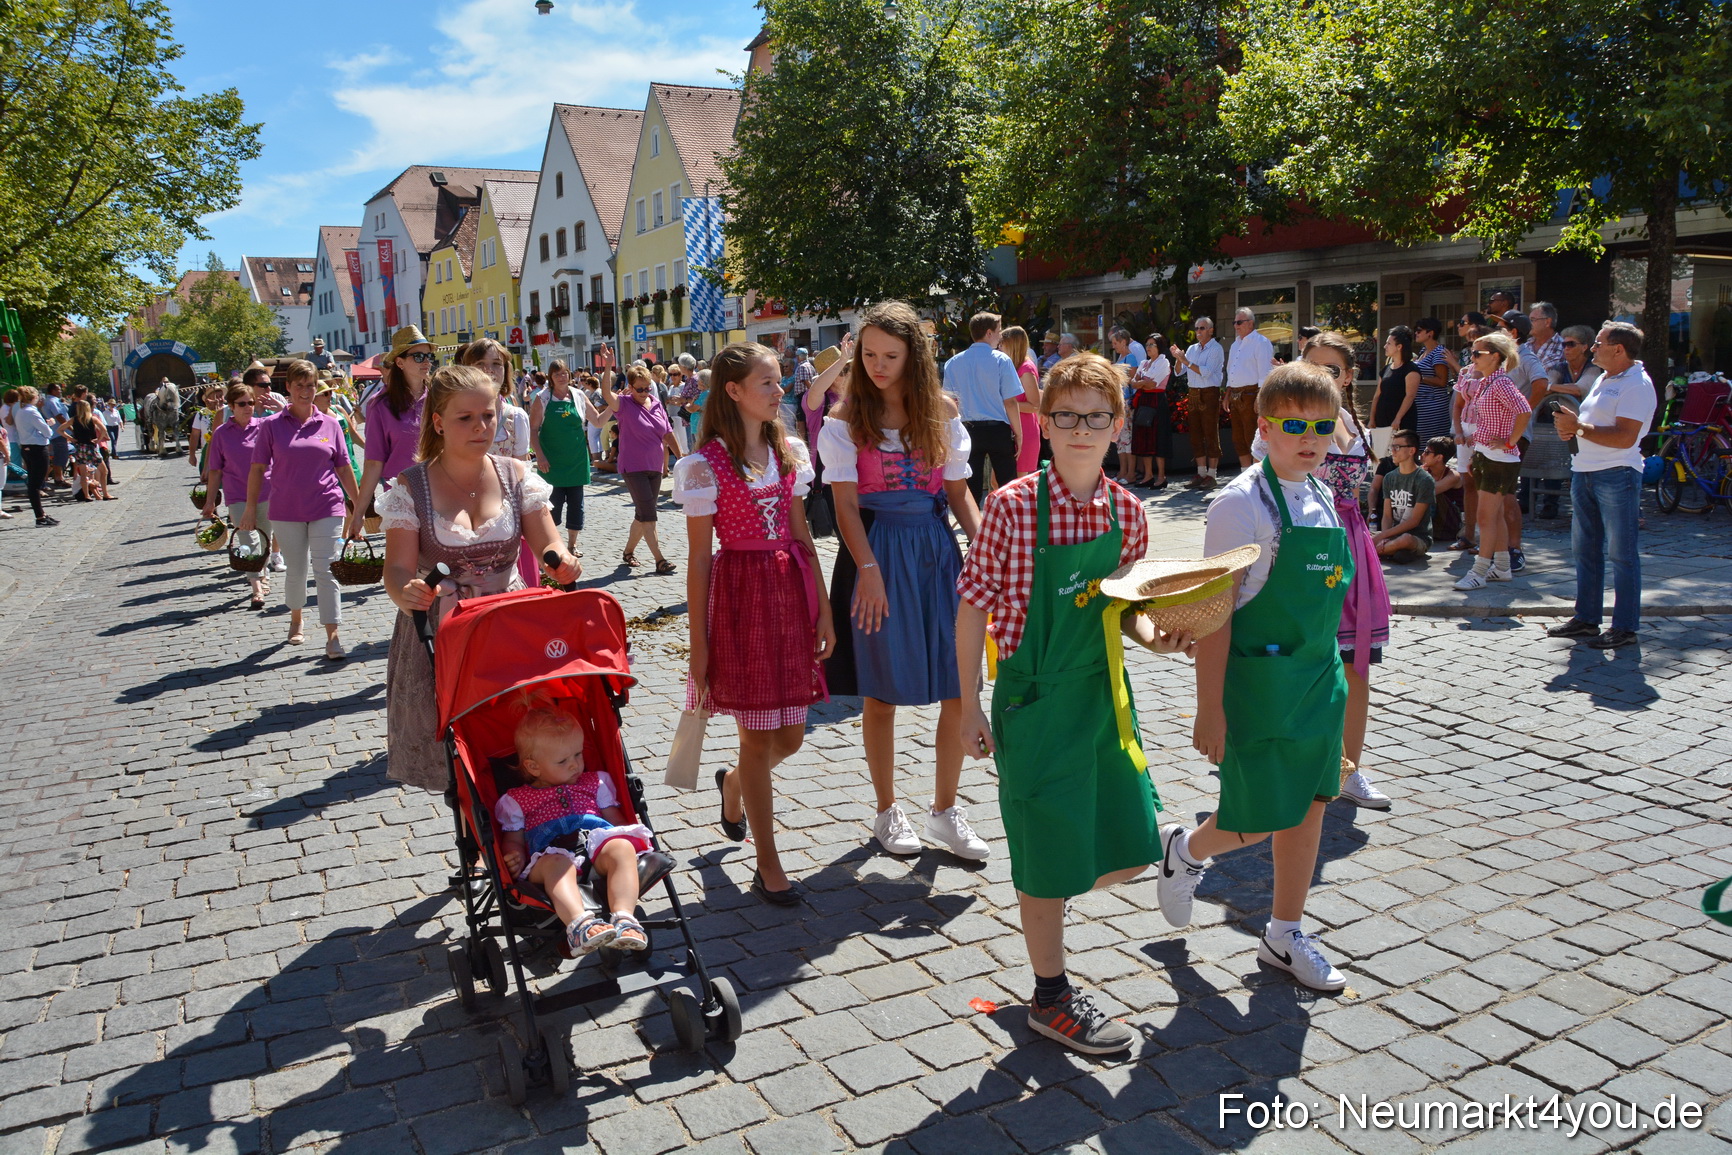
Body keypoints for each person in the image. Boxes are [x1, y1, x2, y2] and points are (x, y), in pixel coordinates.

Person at [956, 352, 1194, 1054]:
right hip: (1033, 703)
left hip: (1104, 698)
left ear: (1117, 426)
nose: (1082, 429)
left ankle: (1072, 913)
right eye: (1067, 416)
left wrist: (1162, 635)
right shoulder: (1009, 508)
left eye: (1097, 417)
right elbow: (971, 609)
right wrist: (968, 703)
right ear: (1043, 423)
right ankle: (1050, 993)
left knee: (1120, 847)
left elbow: (1127, 613)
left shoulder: (1128, 512)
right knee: (1044, 858)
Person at [1160, 361, 1355, 993]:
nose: (1310, 438)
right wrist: (1208, 708)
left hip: (1318, 681)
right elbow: (1214, 617)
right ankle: (1186, 851)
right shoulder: (1239, 504)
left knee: (1312, 807)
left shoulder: (1323, 494)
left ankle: (1284, 931)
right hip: (1261, 685)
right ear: (1264, 427)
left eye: (1322, 426)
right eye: (1294, 425)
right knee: (1262, 814)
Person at [821, 301, 986, 862]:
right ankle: (887, 809)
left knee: (957, 686)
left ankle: (945, 811)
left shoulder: (940, 410)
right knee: (881, 692)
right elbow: (844, 507)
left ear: (914, 356)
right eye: (868, 354)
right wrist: (867, 571)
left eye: (890, 355)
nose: (877, 365)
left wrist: (987, 552)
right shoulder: (845, 419)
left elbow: (961, 492)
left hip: (937, 551)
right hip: (879, 551)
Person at [674, 342, 834, 905]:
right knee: (757, 733)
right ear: (735, 392)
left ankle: (735, 784)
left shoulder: (788, 451)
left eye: (778, 381)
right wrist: (699, 643)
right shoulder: (703, 466)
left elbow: (801, 534)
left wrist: (823, 608)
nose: (780, 390)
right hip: (740, 598)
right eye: (767, 383)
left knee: (788, 736)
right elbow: (698, 559)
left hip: (787, 594)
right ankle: (769, 863)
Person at [379, 365, 580, 792]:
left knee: (521, 739)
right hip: (442, 631)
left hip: (507, 625)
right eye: (465, 418)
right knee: (459, 754)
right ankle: (476, 839)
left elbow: (550, 543)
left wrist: (561, 561)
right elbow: (396, 570)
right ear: (438, 422)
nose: (481, 427)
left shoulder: (515, 474)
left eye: (488, 415)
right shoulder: (410, 487)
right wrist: (406, 590)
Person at [1301, 333, 1391, 810]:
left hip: (1348, 540)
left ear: (1349, 377)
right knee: (1300, 659)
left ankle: (1348, 768)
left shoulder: (1347, 419)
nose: (1321, 378)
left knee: (1355, 667)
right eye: (1311, 367)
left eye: (1331, 370)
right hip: (1305, 543)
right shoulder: (1291, 421)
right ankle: (1296, 760)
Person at [496, 709, 661, 956]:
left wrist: (623, 839)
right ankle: (579, 925)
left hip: (596, 848)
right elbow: (513, 839)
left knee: (621, 846)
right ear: (533, 767)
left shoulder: (596, 782)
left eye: (578, 754)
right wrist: (514, 855)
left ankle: (625, 918)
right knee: (556, 864)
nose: (575, 764)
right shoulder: (517, 800)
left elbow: (615, 822)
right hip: (547, 857)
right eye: (562, 761)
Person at [237, 360, 360, 659]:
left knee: (327, 569)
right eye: (299, 385)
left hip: (327, 505)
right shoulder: (270, 426)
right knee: (296, 570)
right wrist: (250, 509)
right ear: (288, 388)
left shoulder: (330, 424)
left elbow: (344, 468)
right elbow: (257, 470)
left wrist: (359, 505)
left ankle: (333, 635)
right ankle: (296, 619)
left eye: (310, 385)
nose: (305, 392)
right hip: (286, 509)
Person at [1546, 322, 1655, 650]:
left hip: (1616, 474)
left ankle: (1624, 627)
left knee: (1621, 553)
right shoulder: (1606, 379)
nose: (1592, 349)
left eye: (1598, 343)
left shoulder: (1637, 384)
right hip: (1585, 471)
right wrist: (1571, 429)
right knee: (1585, 549)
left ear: (1618, 349)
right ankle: (1587, 619)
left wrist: (1578, 428)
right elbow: (1592, 426)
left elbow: (1625, 436)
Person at [1452, 332, 1531, 591]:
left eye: (1477, 353)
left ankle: (1480, 571)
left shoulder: (1500, 383)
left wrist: (1509, 441)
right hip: (1489, 454)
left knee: (1486, 517)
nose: (1472, 358)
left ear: (1495, 357)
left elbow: (1524, 410)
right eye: (1471, 353)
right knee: (1493, 515)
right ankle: (1503, 567)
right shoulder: (1488, 382)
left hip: (1499, 457)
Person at [345, 326, 434, 541]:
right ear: (400, 363)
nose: (426, 361)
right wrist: (359, 514)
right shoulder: (380, 405)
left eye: (429, 356)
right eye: (418, 356)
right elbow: (374, 462)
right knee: (405, 565)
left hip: (440, 490)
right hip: (400, 494)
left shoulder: (439, 397)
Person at [598, 353, 682, 575]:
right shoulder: (623, 404)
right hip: (633, 468)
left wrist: (681, 458)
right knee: (649, 514)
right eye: (640, 389)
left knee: (643, 513)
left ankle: (627, 552)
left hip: (654, 466)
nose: (644, 392)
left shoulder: (655, 403)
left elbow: (668, 433)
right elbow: (606, 393)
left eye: (647, 388)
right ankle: (660, 560)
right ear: (630, 387)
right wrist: (608, 366)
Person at [203, 383, 273, 610]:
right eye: (242, 404)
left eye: (251, 403)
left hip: (266, 492)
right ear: (231, 406)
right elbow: (215, 470)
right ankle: (256, 588)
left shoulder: (264, 427)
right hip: (237, 495)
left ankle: (264, 575)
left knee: (264, 539)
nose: (248, 408)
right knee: (246, 539)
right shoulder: (222, 434)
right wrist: (209, 502)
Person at [943, 312, 1024, 504]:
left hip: (968, 428)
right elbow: (1010, 401)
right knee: (1008, 483)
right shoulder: (1001, 360)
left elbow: (948, 401)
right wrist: (1019, 434)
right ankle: (1010, 523)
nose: (1000, 336)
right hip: (998, 429)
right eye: (998, 331)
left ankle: (974, 527)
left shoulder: (953, 362)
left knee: (971, 484)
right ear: (989, 333)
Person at [530, 359, 605, 558]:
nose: (562, 377)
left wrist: (615, 407)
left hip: (577, 462)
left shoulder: (579, 395)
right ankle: (553, 545)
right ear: (551, 378)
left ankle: (572, 545)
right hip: (551, 465)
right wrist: (540, 456)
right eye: (557, 374)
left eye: (564, 373)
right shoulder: (543, 398)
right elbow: (533, 430)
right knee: (552, 507)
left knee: (576, 507)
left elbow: (597, 420)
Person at [1367, 327, 1422, 520]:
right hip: (1381, 423)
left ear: (1399, 346)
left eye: (1389, 343)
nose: (1385, 346)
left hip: (1401, 424)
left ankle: (1401, 510)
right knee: (1380, 463)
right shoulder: (1386, 368)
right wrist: (1372, 418)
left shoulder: (1412, 370)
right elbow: (1377, 395)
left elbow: (1410, 396)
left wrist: (1398, 419)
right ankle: (1379, 509)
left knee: (1398, 462)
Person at [1174, 316, 1224, 487]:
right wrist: (1178, 358)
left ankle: (1212, 474)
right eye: (1196, 328)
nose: (1198, 332)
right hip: (1194, 392)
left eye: (1202, 328)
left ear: (1211, 330)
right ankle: (1201, 473)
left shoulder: (1216, 349)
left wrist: (1185, 360)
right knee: (1195, 434)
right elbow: (1179, 372)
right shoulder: (1192, 348)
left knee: (1210, 432)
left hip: (1209, 392)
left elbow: (1206, 372)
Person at [1225, 307, 1274, 478]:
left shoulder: (1261, 342)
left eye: (1239, 322)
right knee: (1238, 438)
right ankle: (1245, 475)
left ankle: (1259, 476)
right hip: (1236, 394)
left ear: (1250, 323)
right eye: (1234, 323)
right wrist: (1227, 393)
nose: (1236, 326)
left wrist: (1260, 396)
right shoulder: (1235, 344)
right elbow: (1231, 370)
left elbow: (1265, 372)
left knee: (1252, 437)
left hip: (1252, 394)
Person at [1372, 431, 1434, 563]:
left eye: (1397, 447)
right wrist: (1384, 536)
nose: (1392, 451)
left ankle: (1369, 553)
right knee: (1360, 535)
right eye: (1391, 447)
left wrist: (1383, 535)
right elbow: (1387, 516)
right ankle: (1390, 550)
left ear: (1411, 450)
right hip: (1392, 535)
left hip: (1417, 537)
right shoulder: (1389, 477)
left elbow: (1414, 521)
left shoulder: (1424, 479)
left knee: (1405, 539)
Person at [1129, 334, 1173, 488]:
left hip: (1157, 401)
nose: (1148, 347)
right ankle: (1148, 475)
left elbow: (1152, 385)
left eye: (1152, 344)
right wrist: (1141, 382)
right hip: (1144, 401)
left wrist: (1141, 382)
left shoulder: (1164, 362)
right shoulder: (1143, 363)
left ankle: (1161, 476)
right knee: (1144, 438)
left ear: (1159, 346)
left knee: (1158, 438)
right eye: (1147, 344)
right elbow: (1134, 383)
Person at [11, 387, 57, 525]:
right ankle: (40, 516)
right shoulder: (31, 411)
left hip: (27, 447)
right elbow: (48, 432)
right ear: (34, 397)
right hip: (37, 448)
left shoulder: (20, 410)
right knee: (36, 484)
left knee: (33, 483)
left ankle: (41, 514)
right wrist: (50, 424)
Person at [999, 326, 1042, 476]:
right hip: (1010, 431)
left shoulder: (1025, 369)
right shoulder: (1013, 367)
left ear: (1012, 345)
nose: (999, 348)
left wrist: (1006, 404)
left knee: (1018, 483)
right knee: (999, 480)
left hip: (1025, 431)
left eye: (1001, 344)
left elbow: (1035, 405)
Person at [1411, 318, 1455, 446]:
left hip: (1433, 406)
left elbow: (1442, 381)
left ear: (1430, 333)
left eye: (1419, 330)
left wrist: (1419, 378)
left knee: (1431, 446)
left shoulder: (1438, 352)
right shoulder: (1422, 352)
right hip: (1421, 406)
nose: (1416, 333)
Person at [58, 398, 112, 502]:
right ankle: (105, 493)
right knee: (103, 470)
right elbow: (104, 430)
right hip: (90, 447)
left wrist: (71, 438)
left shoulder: (74, 419)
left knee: (83, 474)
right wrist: (98, 439)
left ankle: (87, 495)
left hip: (79, 447)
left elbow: (60, 429)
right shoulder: (92, 419)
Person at [1420, 436, 1465, 546]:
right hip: (1435, 520)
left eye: (1427, 452)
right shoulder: (1424, 470)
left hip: (1451, 522)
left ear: (1439, 457)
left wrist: (1418, 476)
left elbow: (1430, 491)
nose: (1422, 455)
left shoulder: (1453, 476)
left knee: (1430, 493)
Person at [41, 384, 71, 489]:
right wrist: (70, 428)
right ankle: (59, 478)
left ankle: (59, 476)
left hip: (57, 433)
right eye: (58, 389)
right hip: (58, 433)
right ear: (52, 390)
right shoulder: (52, 401)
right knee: (61, 456)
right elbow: (59, 416)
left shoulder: (51, 401)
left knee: (59, 455)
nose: (60, 391)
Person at [1527, 301, 1565, 373]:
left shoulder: (1563, 346)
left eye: (1532, 320)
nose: (1529, 323)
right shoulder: (1525, 346)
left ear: (1547, 322)